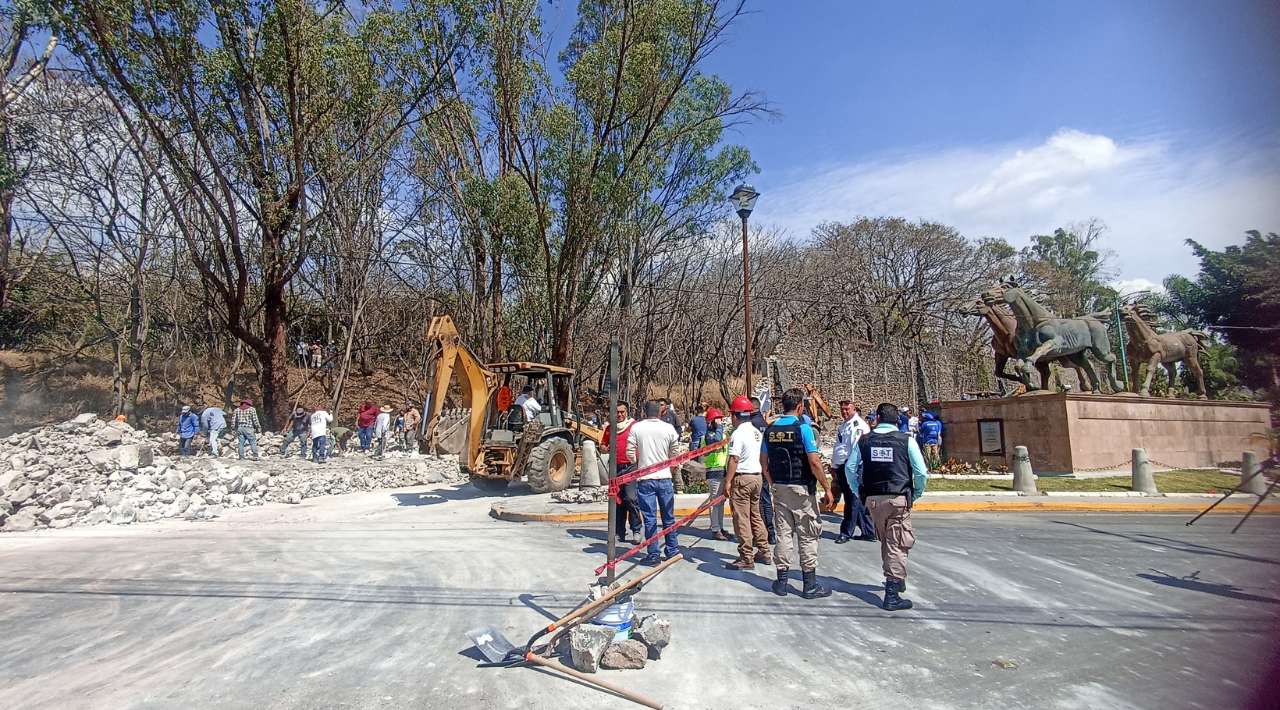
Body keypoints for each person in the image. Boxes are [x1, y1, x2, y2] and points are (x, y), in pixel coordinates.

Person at [849, 402, 930, 611]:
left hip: (874, 500)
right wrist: (917, 492)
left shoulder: (864, 441)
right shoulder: (907, 441)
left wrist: (858, 491)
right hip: (898, 499)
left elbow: (850, 468)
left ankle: (896, 577)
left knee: (887, 541)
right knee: (898, 543)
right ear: (897, 420)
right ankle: (892, 593)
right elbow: (921, 472)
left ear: (877, 417)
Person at [762, 388, 835, 599]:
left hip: (780, 488)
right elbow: (814, 461)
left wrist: (772, 483)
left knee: (783, 534)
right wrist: (827, 488)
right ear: (801, 406)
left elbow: (764, 463)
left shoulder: (770, 430)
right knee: (807, 534)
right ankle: (809, 585)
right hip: (802, 489)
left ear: (781, 406)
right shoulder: (803, 429)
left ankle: (781, 582)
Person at [626, 400, 680, 564]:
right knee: (668, 517)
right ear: (660, 413)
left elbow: (629, 451)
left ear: (645, 412)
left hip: (645, 479)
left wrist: (637, 462)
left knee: (649, 519)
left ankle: (653, 554)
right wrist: (670, 465)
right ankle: (672, 550)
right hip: (664, 478)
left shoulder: (637, 428)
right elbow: (675, 451)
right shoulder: (668, 428)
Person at [723, 396, 771, 570]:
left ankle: (746, 556)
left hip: (742, 479)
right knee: (755, 515)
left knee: (741, 518)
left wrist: (728, 482)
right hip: (757, 477)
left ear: (735, 416)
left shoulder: (738, 433)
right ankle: (764, 551)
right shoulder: (756, 432)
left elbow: (734, 459)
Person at [830, 400, 876, 543]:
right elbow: (840, 447)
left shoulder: (858, 425)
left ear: (854, 409)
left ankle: (846, 532)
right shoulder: (844, 425)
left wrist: (850, 469)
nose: (844, 412)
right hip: (843, 466)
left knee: (852, 501)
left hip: (853, 467)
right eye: (842, 409)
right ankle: (869, 531)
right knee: (857, 501)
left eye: (847, 409)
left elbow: (855, 450)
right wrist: (834, 465)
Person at [602, 402, 642, 543]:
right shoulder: (610, 428)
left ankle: (636, 530)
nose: (619, 415)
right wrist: (604, 448)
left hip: (631, 467)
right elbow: (603, 444)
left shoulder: (634, 426)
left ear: (627, 412)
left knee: (631, 498)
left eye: (622, 412)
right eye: (617, 412)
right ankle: (620, 532)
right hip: (615, 468)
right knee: (618, 501)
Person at [699, 407, 730, 541]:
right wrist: (718, 426)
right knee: (714, 502)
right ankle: (715, 529)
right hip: (713, 471)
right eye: (718, 420)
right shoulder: (708, 436)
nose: (720, 422)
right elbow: (716, 440)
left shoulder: (722, 435)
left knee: (721, 502)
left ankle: (720, 527)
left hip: (723, 471)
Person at [749, 395, 777, 545]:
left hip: (754, 467)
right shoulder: (765, 425)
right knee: (766, 500)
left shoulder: (750, 425)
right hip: (766, 466)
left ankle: (760, 534)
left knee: (755, 503)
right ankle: (771, 533)